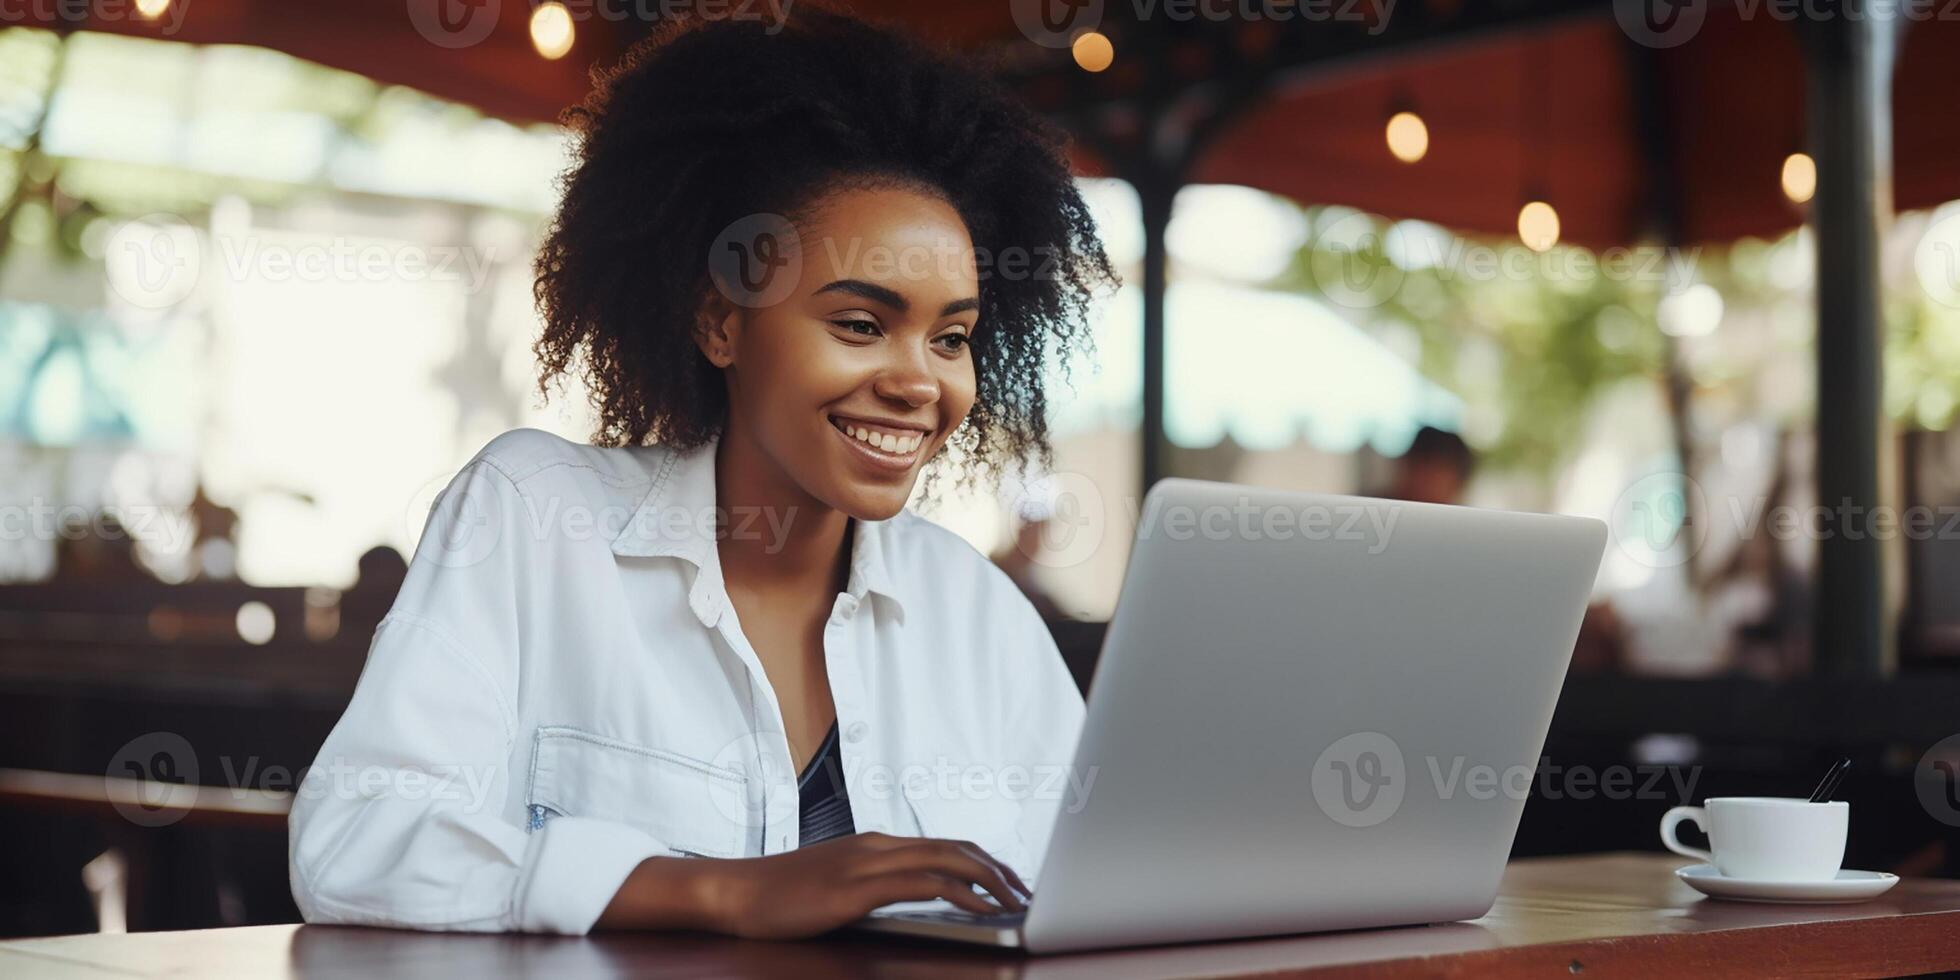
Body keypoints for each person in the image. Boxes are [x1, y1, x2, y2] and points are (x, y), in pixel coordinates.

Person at [286, 8, 1115, 940]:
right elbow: (357, 840)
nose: (918, 380)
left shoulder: (977, 615)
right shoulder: (534, 521)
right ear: (722, 322)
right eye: (858, 323)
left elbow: (1098, 896)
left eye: (952, 337)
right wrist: (723, 889)